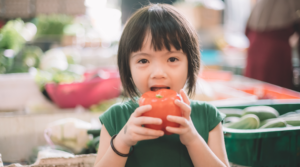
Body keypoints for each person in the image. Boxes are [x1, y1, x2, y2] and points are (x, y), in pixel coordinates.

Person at [94, 4, 230, 167]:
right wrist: (122, 141)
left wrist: (193, 139)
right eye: (143, 60)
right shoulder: (115, 118)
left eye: (172, 59)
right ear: (127, 68)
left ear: (190, 64)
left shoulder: (207, 116)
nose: (158, 73)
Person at [244, 0, 300, 89]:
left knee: (256, 92)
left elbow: (246, 31)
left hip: (254, 48)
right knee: (274, 93)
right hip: (275, 52)